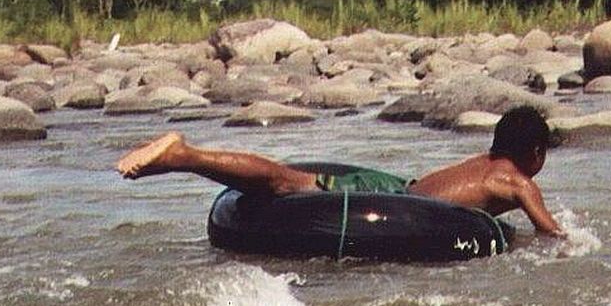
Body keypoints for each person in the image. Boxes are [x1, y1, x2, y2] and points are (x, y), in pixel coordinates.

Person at [116, 105, 566, 237]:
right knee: (282, 181)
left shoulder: (483, 163)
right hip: (401, 203)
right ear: (536, 152)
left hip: (396, 189)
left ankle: (184, 160)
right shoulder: (518, 180)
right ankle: (184, 156)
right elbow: (550, 233)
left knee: (284, 182)